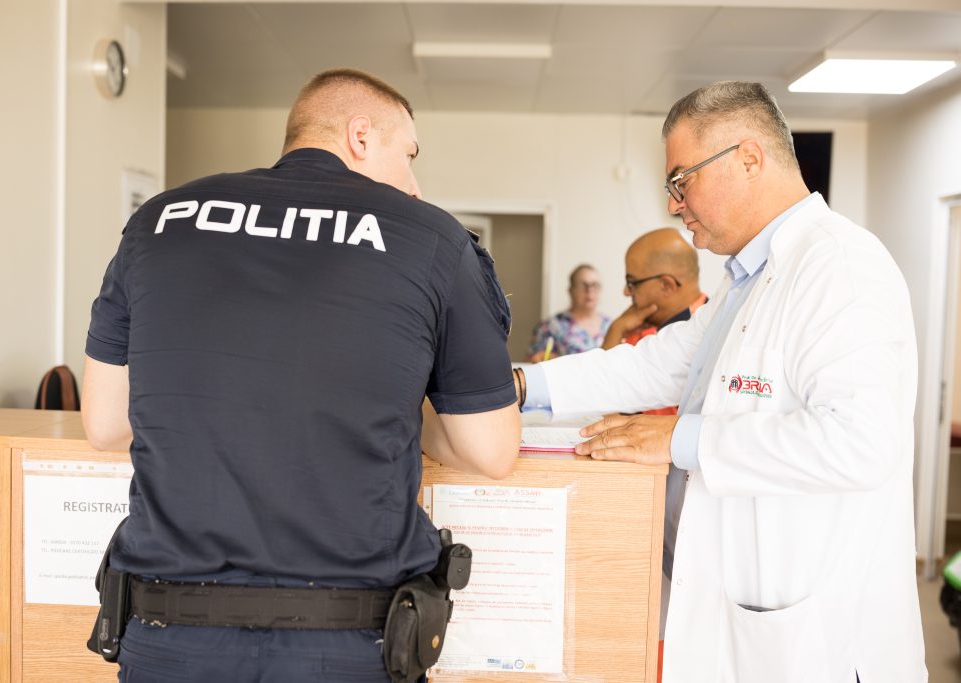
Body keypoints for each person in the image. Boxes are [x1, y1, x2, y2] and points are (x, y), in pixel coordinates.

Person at [81, 68, 521, 683]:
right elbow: (491, 450)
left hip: (170, 634)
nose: (414, 186)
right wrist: (395, 396)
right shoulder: (432, 238)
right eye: (409, 156)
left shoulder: (157, 221)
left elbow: (105, 423)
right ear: (361, 136)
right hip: (346, 641)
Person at [516, 81, 925, 682]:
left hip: (815, 641)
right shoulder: (748, 278)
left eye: (681, 181)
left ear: (749, 158)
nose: (674, 206)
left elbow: (860, 443)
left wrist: (682, 439)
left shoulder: (840, 265)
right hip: (729, 611)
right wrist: (521, 386)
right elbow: (654, 364)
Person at [602, 227, 707, 361]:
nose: (626, 292)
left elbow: (607, 374)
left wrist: (615, 332)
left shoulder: (692, 341)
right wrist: (617, 329)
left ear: (666, 286)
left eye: (632, 282)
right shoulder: (646, 324)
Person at [526, 264, 611, 362]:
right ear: (571, 291)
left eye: (595, 285)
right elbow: (532, 362)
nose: (589, 291)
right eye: (583, 285)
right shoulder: (550, 326)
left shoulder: (610, 325)